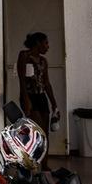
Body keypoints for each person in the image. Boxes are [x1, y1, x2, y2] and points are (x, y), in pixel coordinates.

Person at [17, 31, 59, 160]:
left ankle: (44, 163)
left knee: (45, 132)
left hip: (41, 97)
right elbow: (22, 79)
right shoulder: (24, 56)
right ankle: (32, 161)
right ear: (37, 43)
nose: (48, 46)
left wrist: (54, 104)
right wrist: (26, 99)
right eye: (45, 43)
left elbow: (46, 83)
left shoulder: (43, 61)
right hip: (29, 96)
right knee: (37, 130)